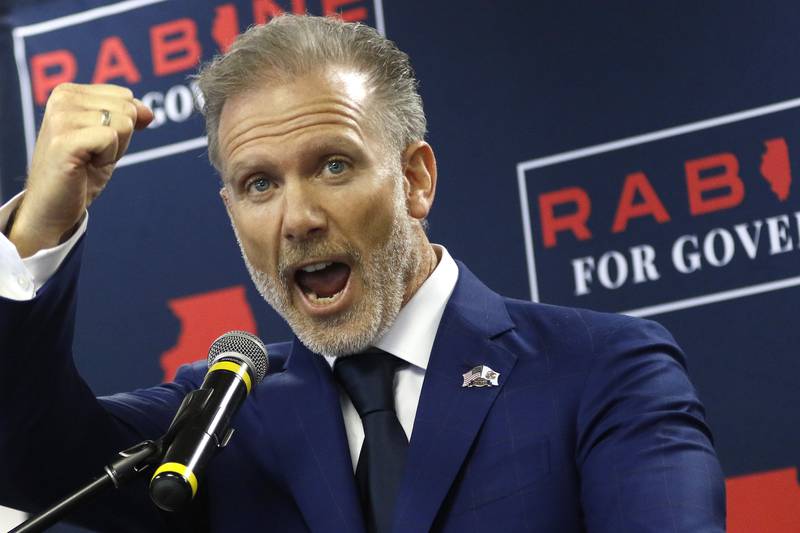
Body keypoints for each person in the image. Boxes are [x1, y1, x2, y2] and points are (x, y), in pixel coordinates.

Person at [0, 14, 725, 533]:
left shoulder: (604, 369)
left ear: (414, 178)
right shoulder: (219, 417)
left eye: (334, 164)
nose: (298, 217)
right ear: (230, 213)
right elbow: (26, 456)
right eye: (259, 184)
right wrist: (39, 228)